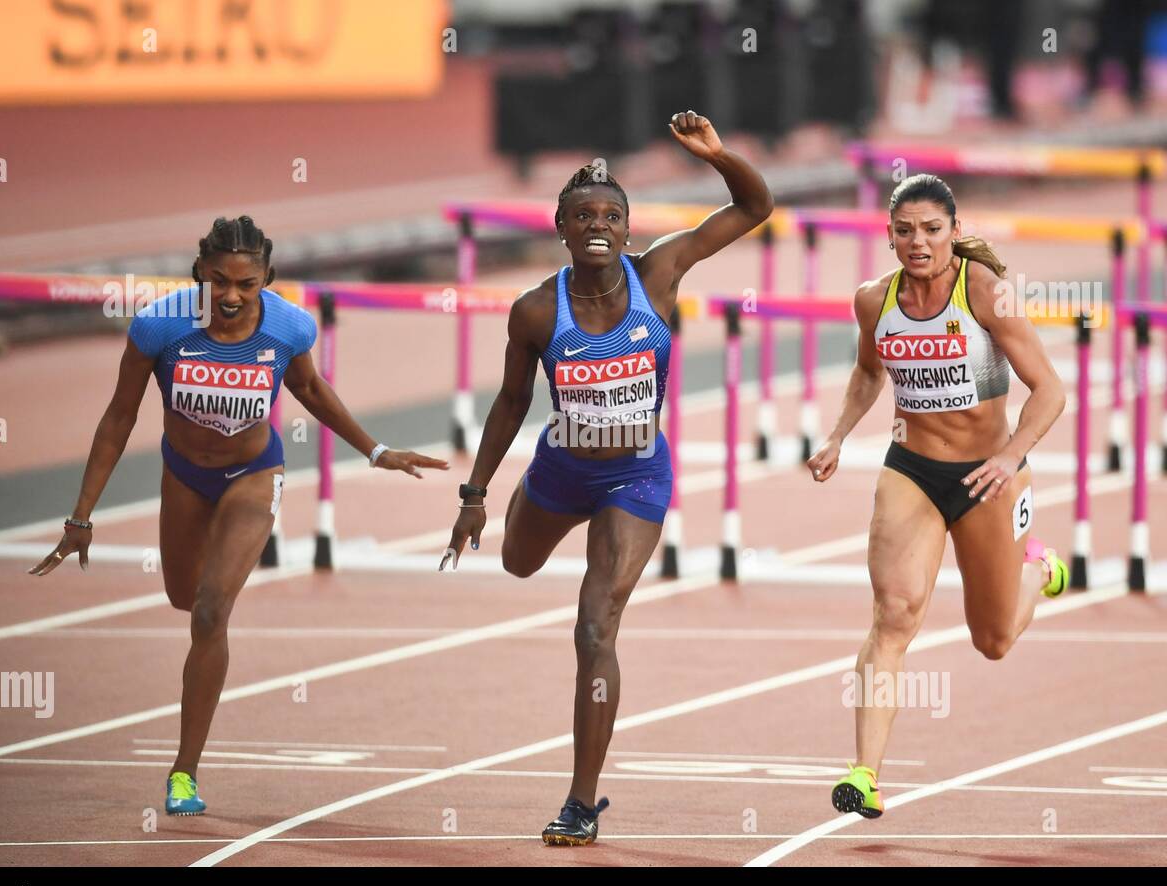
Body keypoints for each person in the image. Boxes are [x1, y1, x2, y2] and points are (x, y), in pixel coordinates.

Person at [30, 216, 448, 815]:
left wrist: (374, 450)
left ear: (267, 281)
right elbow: (118, 417)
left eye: (246, 285)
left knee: (208, 612)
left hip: (253, 475)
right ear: (199, 272)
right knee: (182, 596)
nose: (230, 295)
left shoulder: (288, 327)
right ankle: (199, 669)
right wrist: (81, 515)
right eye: (219, 281)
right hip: (183, 474)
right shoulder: (160, 326)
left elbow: (310, 389)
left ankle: (183, 773)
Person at [441, 111, 773, 845]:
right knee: (519, 564)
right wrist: (476, 495)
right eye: (584, 214)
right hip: (560, 471)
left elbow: (756, 208)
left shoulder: (659, 273)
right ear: (561, 227)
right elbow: (510, 402)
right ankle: (535, 506)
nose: (599, 223)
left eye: (612, 215)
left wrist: (718, 154)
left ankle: (581, 802)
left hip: (636, 478)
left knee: (596, 629)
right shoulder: (535, 311)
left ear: (627, 230)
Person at [805, 174, 1068, 819]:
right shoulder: (874, 300)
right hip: (913, 470)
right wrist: (838, 435)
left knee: (994, 639)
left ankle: (1042, 569)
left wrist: (1009, 458)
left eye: (931, 229)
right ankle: (864, 774)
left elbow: (1051, 390)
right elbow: (869, 371)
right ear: (889, 235)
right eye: (904, 230)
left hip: (988, 477)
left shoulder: (982, 291)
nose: (917, 241)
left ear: (953, 230)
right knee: (893, 614)